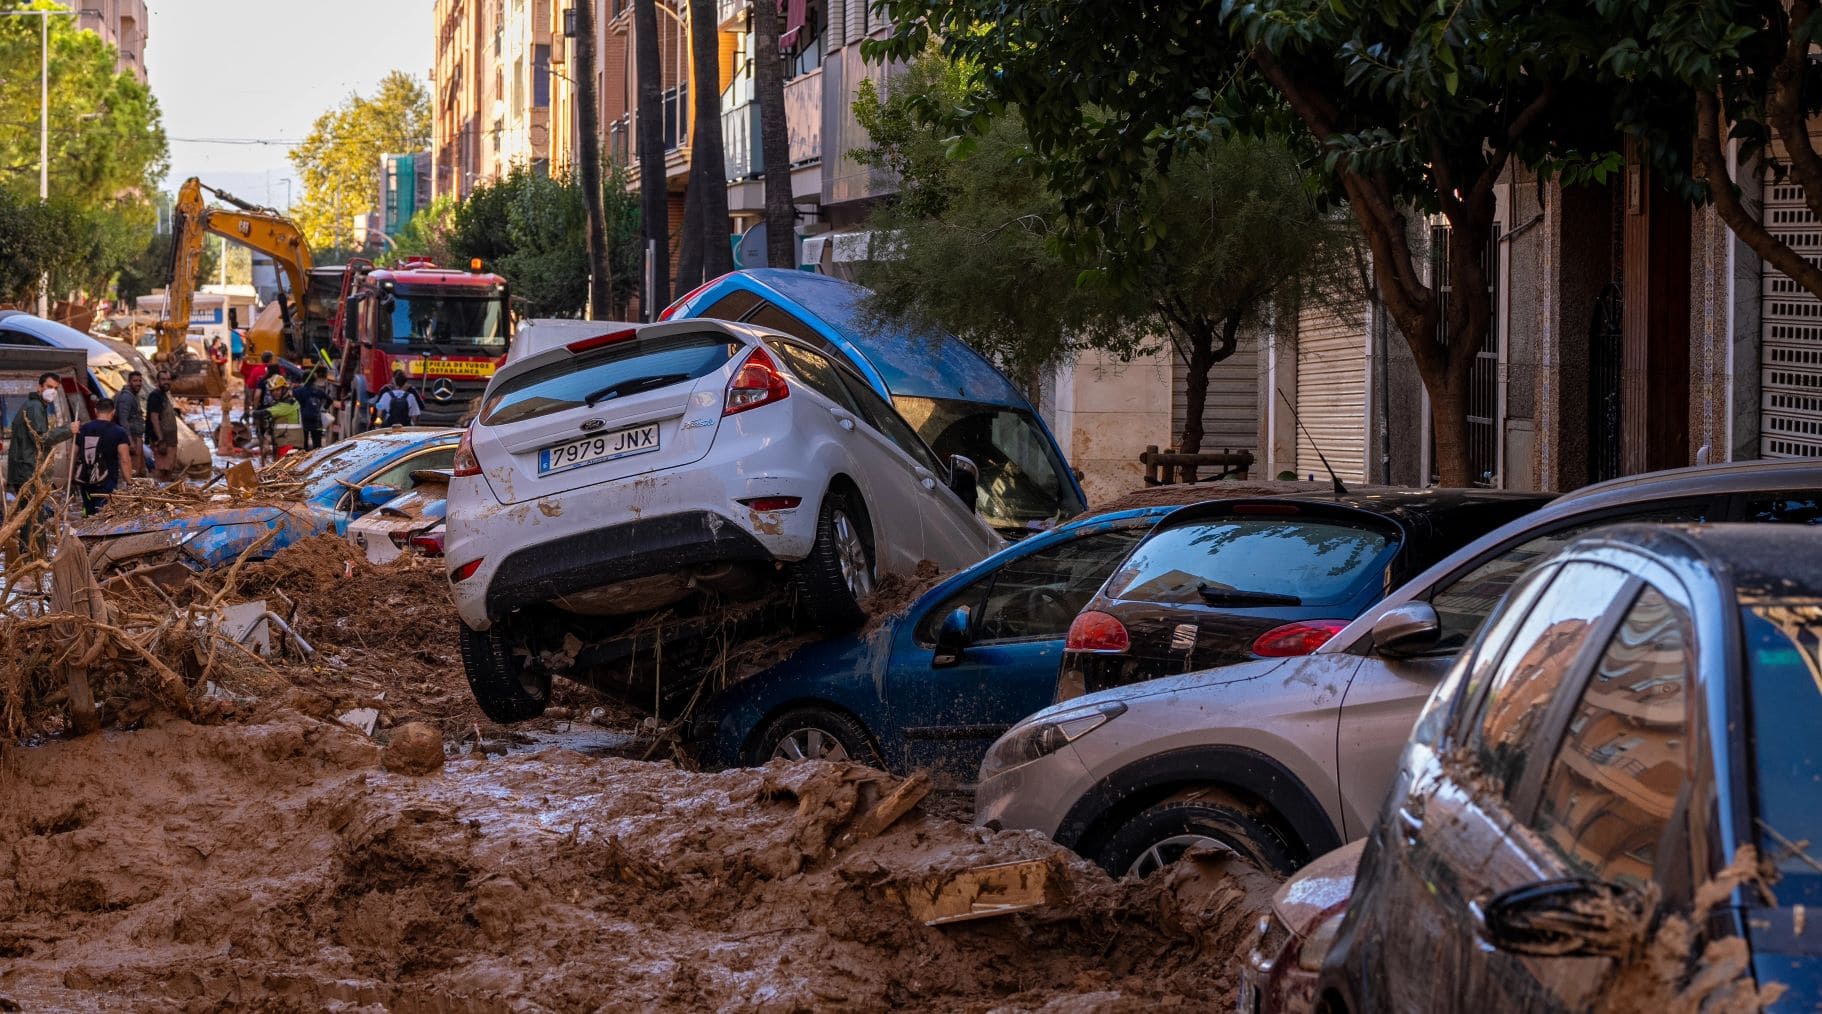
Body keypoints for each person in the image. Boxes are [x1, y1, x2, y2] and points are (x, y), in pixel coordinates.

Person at [5, 373, 73, 555]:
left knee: (33, 514)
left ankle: (35, 556)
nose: (52, 392)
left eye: (56, 389)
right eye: (49, 387)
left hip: (26, 468)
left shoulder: (37, 406)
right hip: (28, 470)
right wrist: (68, 430)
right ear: (40, 387)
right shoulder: (35, 407)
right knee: (33, 515)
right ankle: (31, 558)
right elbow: (41, 438)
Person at [73, 400, 133, 516]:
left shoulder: (83, 429)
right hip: (107, 482)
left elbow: (72, 454)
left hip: (85, 480)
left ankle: (84, 532)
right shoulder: (119, 432)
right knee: (104, 514)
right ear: (113, 412)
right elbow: (125, 460)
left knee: (88, 513)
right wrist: (130, 483)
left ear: (95, 411)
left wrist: (71, 478)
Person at [145, 374, 181, 481]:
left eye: (168, 379)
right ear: (157, 381)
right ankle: (157, 493)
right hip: (163, 441)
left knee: (168, 470)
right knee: (161, 469)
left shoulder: (163, 395)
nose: (167, 382)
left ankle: (163, 492)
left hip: (169, 440)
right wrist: (160, 440)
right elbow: (154, 418)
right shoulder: (155, 396)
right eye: (163, 379)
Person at [113, 370, 146, 477]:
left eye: (140, 381)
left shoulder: (133, 395)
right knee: (133, 470)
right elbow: (123, 420)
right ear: (129, 382)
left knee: (139, 469)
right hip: (132, 437)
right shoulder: (126, 397)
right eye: (135, 381)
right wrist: (130, 440)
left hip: (136, 437)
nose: (138, 383)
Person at [294, 366, 330, 451]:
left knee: (303, 446)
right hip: (316, 420)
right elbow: (329, 400)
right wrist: (324, 408)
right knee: (317, 447)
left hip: (303, 420)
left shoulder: (298, 391)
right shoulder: (318, 391)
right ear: (314, 379)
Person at [240, 351, 271, 423]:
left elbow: (250, 384)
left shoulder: (256, 369)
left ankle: (253, 419)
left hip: (253, 388)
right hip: (268, 398)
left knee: (250, 402)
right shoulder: (274, 369)